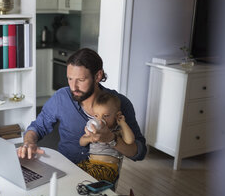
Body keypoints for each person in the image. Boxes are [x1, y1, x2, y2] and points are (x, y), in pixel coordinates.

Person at [17, 48, 146, 179]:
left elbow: (139, 152)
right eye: (70, 79)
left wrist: (112, 140)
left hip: (100, 180)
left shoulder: (120, 103)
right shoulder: (61, 98)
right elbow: (37, 127)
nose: (74, 87)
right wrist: (29, 142)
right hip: (65, 173)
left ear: (98, 76)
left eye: (81, 80)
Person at [78, 91, 135, 184]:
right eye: (96, 116)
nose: (100, 120)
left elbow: (130, 140)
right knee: (74, 171)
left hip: (108, 168)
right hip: (91, 163)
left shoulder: (118, 130)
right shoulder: (93, 130)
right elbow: (81, 142)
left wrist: (123, 123)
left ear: (117, 115)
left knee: (87, 179)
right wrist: (90, 138)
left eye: (106, 116)